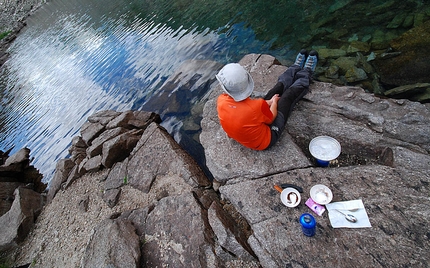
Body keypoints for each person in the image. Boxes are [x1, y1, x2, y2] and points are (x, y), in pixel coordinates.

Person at [216, 50, 318, 150]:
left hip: (251, 126)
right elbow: (272, 117)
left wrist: (269, 101)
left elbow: (252, 109)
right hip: (266, 140)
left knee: (276, 89)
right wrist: (273, 102)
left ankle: (295, 68)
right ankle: (306, 73)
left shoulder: (221, 100)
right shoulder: (256, 106)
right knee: (287, 98)